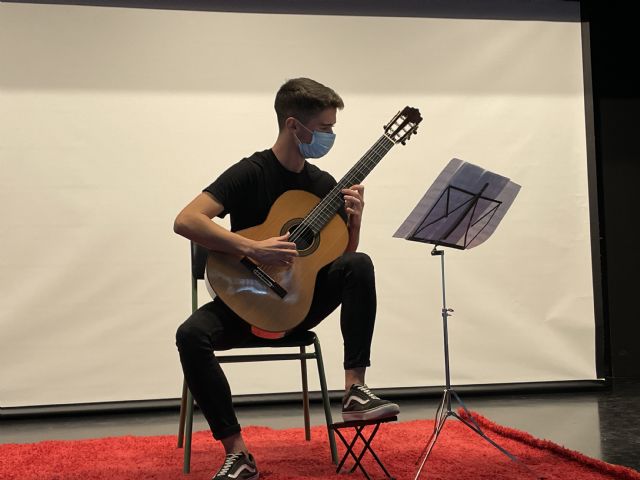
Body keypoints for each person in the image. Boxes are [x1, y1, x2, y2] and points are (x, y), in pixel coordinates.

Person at [174, 77, 399, 480]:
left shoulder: (323, 187)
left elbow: (340, 261)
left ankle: (354, 391)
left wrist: (355, 223)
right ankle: (238, 453)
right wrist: (253, 248)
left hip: (298, 306)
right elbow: (186, 220)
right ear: (294, 126)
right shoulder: (250, 172)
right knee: (190, 335)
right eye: (324, 128)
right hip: (245, 302)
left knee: (360, 263)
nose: (330, 136)